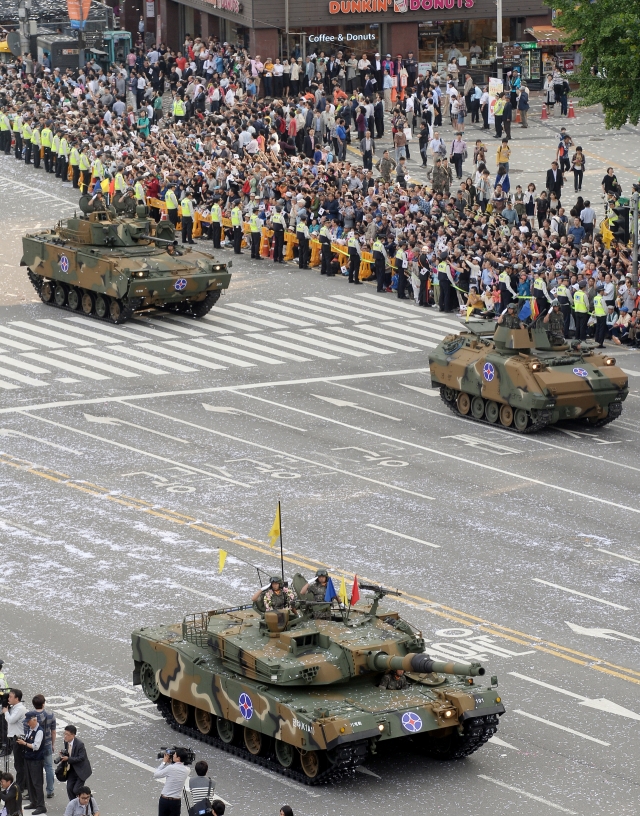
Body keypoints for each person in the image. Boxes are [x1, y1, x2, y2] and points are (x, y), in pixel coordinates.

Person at [18, 711, 46, 815]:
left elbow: (36, 746)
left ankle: (41, 805)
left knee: (37, 783)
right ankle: (34, 802)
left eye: (29, 721)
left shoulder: (39, 731)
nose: (27, 723)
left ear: (34, 720)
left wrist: (24, 743)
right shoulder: (30, 730)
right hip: (28, 759)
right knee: (29, 782)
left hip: (36, 760)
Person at [32, 695, 56, 801]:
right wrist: (53, 744)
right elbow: (53, 731)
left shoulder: (31, 716)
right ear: (43, 703)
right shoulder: (50, 715)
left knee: (36, 769)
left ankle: (37, 791)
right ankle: (50, 790)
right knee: (49, 768)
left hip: (35, 746)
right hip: (47, 745)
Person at [2, 689, 27, 795]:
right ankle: (22, 783)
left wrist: (6, 711)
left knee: (19, 764)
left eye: (10, 697)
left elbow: (11, 720)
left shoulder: (20, 708)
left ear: (17, 698)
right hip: (14, 738)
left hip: (19, 739)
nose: (9, 698)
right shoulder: (13, 707)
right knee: (18, 764)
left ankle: (21, 786)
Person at [58, 725, 92, 801]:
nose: (65, 736)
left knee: (76, 790)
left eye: (67, 734)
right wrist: (63, 754)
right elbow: (69, 752)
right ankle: (73, 804)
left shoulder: (80, 744)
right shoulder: (66, 742)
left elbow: (81, 757)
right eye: (64, 734)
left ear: (73, 735)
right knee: (69, 788)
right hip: (72, 769)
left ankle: (89, 798)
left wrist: (68, 759)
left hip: (81, 770)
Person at [154, 748, 191, 816]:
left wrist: (164, 762)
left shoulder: (170, 768)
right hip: (176, 802)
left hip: (164, 800)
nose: (173, 755)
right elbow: (179, 766)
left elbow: (156, 775)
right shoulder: (187, 770)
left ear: (178, 758)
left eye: (175, 754)